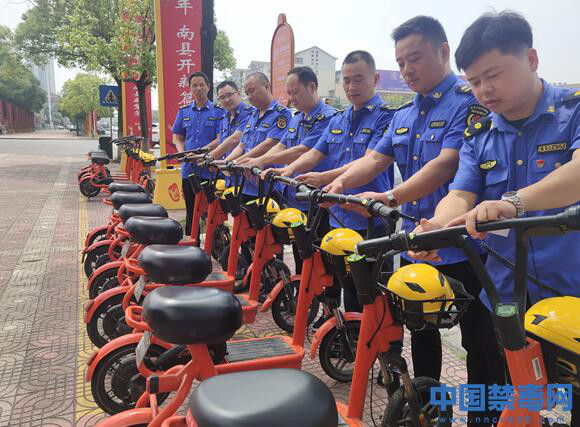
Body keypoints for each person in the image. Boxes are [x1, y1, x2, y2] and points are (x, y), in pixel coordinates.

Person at [323, 16, 506, 425]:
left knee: (480, 344)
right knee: (422, 334)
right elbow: (375, 158)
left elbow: (447, 165)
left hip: (466, 246)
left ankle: (485, 417)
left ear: (443, 52)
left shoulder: (468, 104)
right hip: (417, 242)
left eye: (415, 58)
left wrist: (390, 197)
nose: (407, 69)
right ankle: (429, 411)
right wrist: (338, 185)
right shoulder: (403, 114)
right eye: (401, 62)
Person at [410, 11, 580, 425]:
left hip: (572, 294)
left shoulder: (573, 111)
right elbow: (461, 194)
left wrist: (512, 203)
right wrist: (437, 228)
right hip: (506, 297)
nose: (483, 90)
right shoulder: (480, 132)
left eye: (493, 75)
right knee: (517, 397)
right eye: (474, 81)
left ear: (531, 59)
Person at [272, 51, 395, 312]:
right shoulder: (339, 118)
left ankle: (377, 340)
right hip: (338, 217)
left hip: (370, 220)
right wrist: (288, 170)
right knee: (348, 289)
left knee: (374, 297)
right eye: (346, 80)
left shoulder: (386, 117)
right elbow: (316, 153)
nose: (351, 87)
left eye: (358, 79)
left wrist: (324, 178)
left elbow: (369, 161)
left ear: (375, 79)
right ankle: (347, 335)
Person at [238, 66, 337, 273]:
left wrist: (261, 160)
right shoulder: (297, 117)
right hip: (292, 197)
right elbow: (282, 145)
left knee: (321, 263)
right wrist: (259, 161)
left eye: (296, 92)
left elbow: (303, 150)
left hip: (316, 202)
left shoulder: (328, 118)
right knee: (301, 256)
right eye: (289, 93)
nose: (292, 99)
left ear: (312, 87)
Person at [223, 72, 292, 200]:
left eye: (252, 91)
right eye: (247, 93)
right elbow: (241, 145)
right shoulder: (252, 115)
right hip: (245, 183)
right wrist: (227, 163)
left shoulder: (282, 114)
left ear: (267, 86)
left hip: (267, 185)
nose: (250, 96)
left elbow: (269, 144)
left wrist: (238, 162)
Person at [171, 71, 223, 236]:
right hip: (189, 171)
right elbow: (177, 138)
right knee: (191, 211)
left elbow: (221, 139)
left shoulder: (218, 111)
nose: (198, 88)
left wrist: (201, 153)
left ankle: (216, 244)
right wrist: (183, 153)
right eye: (194, 85)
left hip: (211, 169)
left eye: (202, 85)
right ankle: (192, 244)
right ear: (190, 89)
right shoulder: (184, 111)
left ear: (208, 87)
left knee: (214, 212)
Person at [207, 80, 255, 161]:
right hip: (226, 166)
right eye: (222, 97)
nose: (227, 100)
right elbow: (221, 145)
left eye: (229, 95)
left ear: (238, 94)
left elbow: (235, 139)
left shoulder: (251, 113)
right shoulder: (223, 119)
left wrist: (209, 157)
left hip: (244, 165)